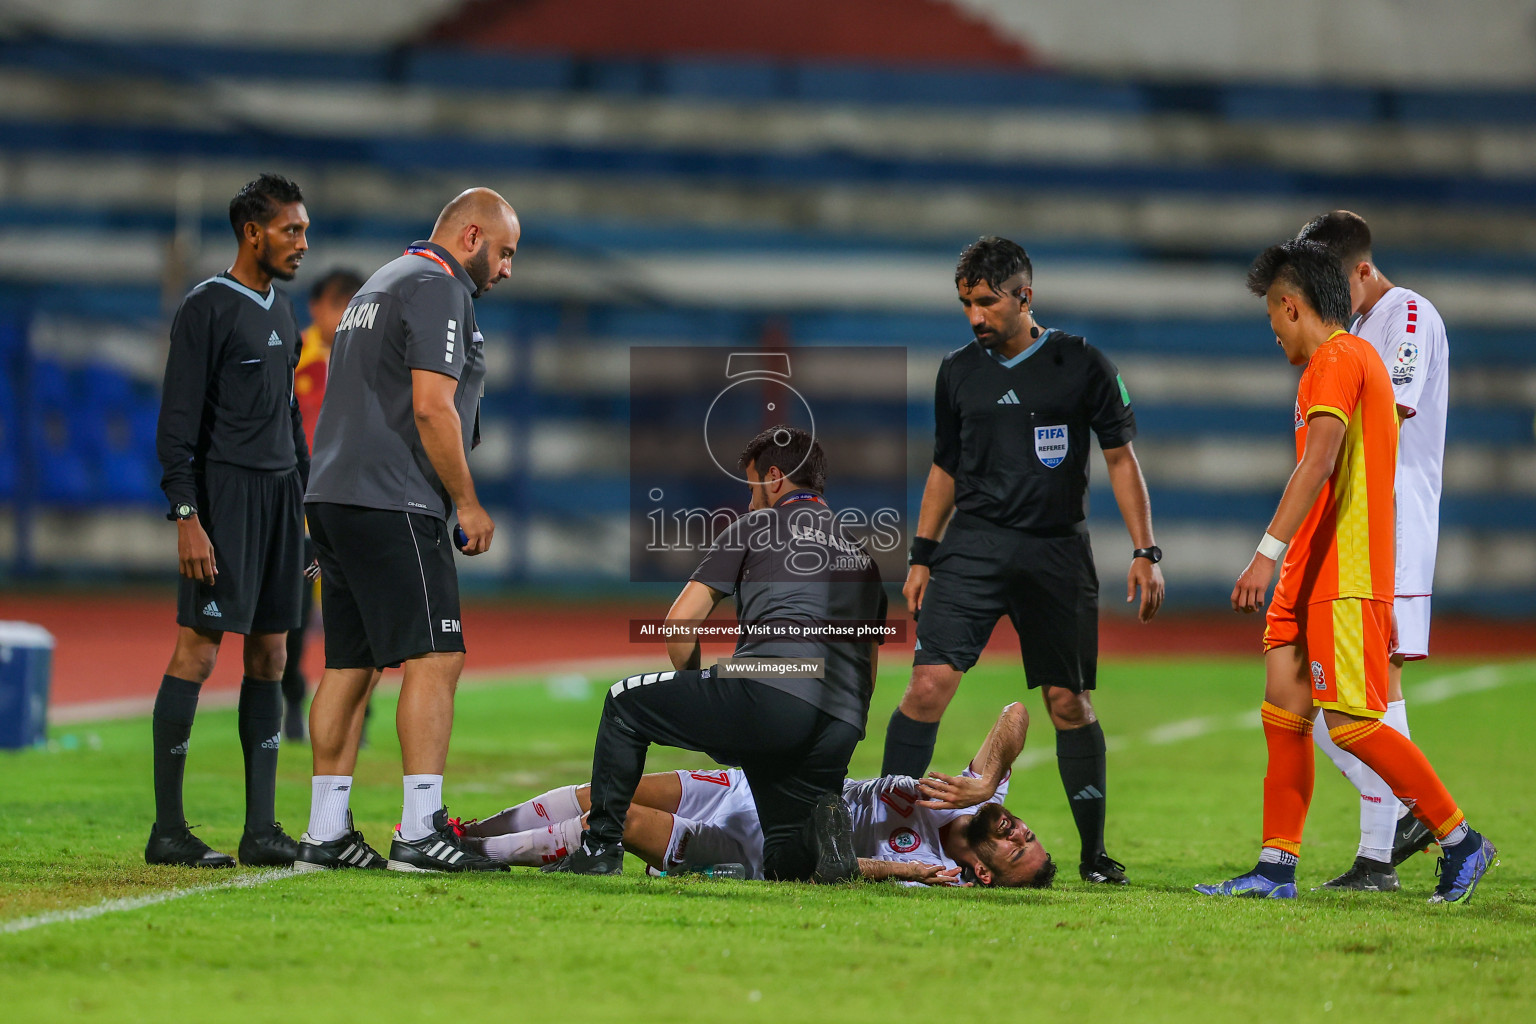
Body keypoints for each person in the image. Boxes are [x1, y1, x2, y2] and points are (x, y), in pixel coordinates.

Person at [1196, 240, 1495, 904]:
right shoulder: (1350, 358)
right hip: (1312, 566)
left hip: (1344, 567)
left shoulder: (1337, 359)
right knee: (1284, 711)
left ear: (1291, 305)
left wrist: (1264, 554)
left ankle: (1461, 839)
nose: (1272, 332)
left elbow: (1321, 461)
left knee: (1354, 722)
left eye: (1272, 317)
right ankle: (1276, 868)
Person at [882, 235, 1164, 886]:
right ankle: (900, 843)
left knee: (1068, 701)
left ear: (1024, 297)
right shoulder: (956, 371)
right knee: (927, 687)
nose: (975, 316)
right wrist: (922, 555)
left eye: (986, 302)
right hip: (974, 546)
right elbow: (944, 467)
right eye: (965, 304)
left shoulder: (1082, 363)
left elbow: (1121, 459)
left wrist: (1145, 550)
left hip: (1055, 552)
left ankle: (1094, 855)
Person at [294, 188, 520, 874]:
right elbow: (431, 407)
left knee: (349, 666)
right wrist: (468, 502)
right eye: (506, 252)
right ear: (472, 236)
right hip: (393, 498)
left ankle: (325, 832)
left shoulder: (379, 282)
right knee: (435, 658)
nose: (508, 270)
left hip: (334, 495)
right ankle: (421, 831)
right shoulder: (436, 285)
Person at [552, 426, 889, 881]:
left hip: (771, 694)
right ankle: (822, 831)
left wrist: (694, 686)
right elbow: (868, 669)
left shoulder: (756, 525)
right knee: (786, 861)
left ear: (774, 478)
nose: (750, 499)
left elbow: (679, 623)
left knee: (623, 704)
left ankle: (599, 848)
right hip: (842, 722)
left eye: (751, 485)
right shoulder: (863, 557)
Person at [148, 172, 311, 868]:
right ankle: (168, 830)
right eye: (291, 231)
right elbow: (176, 426)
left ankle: (262, 829)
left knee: (272, 653)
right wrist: (187, 515)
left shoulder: (282, 311)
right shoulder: (207, 307)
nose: (302, 243)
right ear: (253, 233)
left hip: (280, 504)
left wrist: (308, 509)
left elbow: (291, 420)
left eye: (303, 231)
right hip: (225, 501)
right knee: (200, 649)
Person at [464, 702, 1055, 888]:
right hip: (757, 785)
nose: (1018, 830)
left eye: (1015, 850)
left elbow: (841, 869)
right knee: (602, 789)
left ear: (980, 871)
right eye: (1029, 833)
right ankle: (463, 837)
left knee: (609, 819)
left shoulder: (933, 873)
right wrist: (985, 776)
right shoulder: (977, 800)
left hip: (751, 842)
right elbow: (1016, 714)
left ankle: (476, 858)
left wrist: (895, 866)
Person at [1294, 211, 1448, 890]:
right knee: (1358, 697)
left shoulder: (1406, 315)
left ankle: (1418, 824)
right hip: (1357, 523)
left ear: (1361, 269)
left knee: (1357, 700)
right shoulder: (1353, 328)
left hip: (1390, 523)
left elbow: (1391, 404)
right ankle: (1384, 851)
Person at [282, 267, 366, 742]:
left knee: (359, 611)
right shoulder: (294, 355)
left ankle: (360, 715)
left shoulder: (368, 357)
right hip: (303, 505)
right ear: (318, 308)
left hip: (355, 503)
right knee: (296, 613)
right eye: (343, 306)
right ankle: (293, 698)